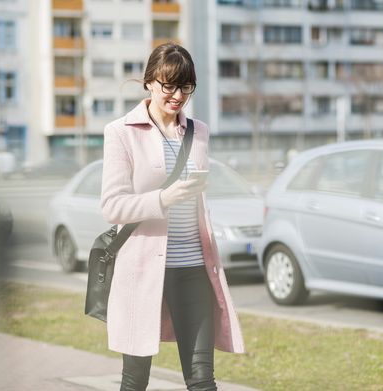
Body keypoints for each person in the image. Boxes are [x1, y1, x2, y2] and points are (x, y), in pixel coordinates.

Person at [100, 43, 245, 391]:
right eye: (169, 85)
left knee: (202, 379)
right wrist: (164, 199)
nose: (178, 95)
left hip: (194, 268)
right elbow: (112, 206)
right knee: (135, 381)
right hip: (142, 271)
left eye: (186, 86)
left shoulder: (199, 132)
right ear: (150, 82)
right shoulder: (121, 132)